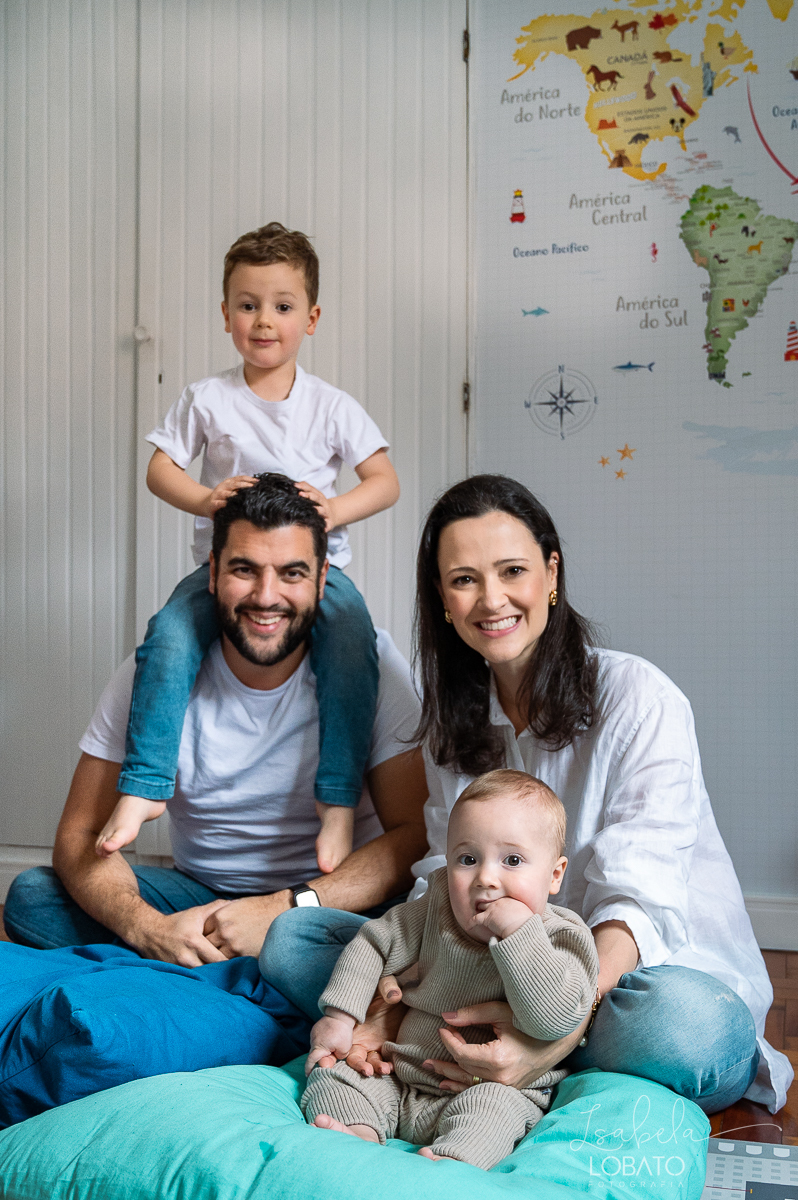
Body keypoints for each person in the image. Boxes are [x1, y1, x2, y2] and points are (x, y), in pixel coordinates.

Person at [262, 474, 793, 1115]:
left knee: (684, 1032)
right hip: (485, 971)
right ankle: (481, 1048)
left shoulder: (639, 697)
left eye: (512, 570)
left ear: (551, 573)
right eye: (464, 580)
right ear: (443, 598)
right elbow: (442, 877)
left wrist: (550, 1038)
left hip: (628, 977)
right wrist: (381, 1006)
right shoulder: (451, 723)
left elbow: (636, 906)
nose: (492, 600)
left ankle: (522, 1064)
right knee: (295, 941)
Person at [3, 476, 428, 965]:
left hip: (322, 901)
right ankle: (231, 969)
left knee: (409, 922)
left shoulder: (368, 665)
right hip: (197, 897)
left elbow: (411, 834)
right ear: (212, 574)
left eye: (292, 573)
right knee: (35, 897)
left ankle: (204, 975)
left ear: (322, 578)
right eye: (245, 569)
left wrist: (286, 907)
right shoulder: (156, 673)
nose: (266, 597)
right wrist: (149, 929)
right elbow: (78, 835)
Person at [101, 221, 400, 877]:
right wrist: (205, 498)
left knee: (354, 646)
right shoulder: (207, 399)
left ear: (311, 317)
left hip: (315, 579)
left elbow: (384, 482)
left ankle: (338, 801)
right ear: (226, 314)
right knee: (170, 637)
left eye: (282, 306)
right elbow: (160, 471)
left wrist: (334, 507)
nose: (264, 321)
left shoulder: (330, 407)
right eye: (248, 305)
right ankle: (146, 786)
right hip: (226, 578)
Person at [301, 770, 599, 1170]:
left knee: (496, 1113)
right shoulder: (436, 908)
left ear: (555, 875)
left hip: (488, 1088)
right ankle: (357, 1135)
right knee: (334, 1076)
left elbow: (553, 1020)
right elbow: (374, 941)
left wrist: (518, 934)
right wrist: (339, 1017)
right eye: (467, 859)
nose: (486, 878)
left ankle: (450, 1166)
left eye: (512, 860)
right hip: (400, 1073)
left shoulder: (562, 936)